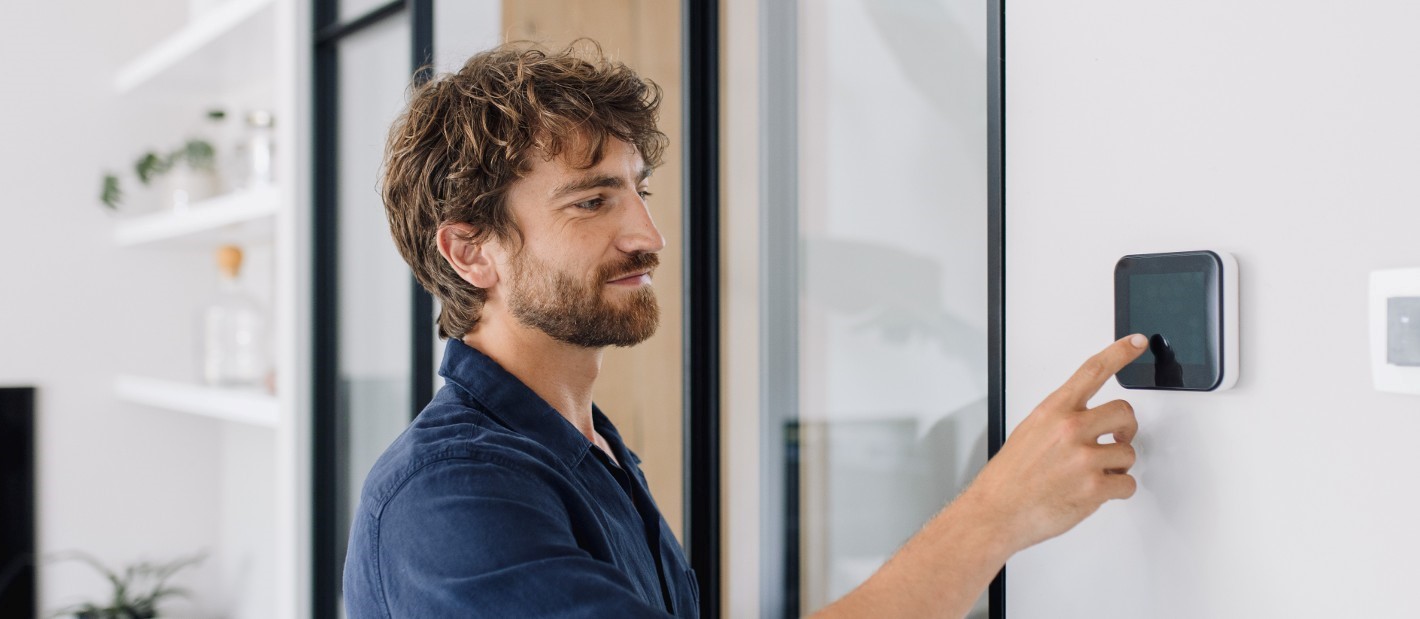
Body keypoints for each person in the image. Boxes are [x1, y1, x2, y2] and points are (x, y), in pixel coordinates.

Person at [342, 41, 1146, 618]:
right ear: (470, 250)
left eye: (638, 190)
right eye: (591, 201)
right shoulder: (450, 495)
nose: (648, 236)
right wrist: (996, 513)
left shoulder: (586, 449)